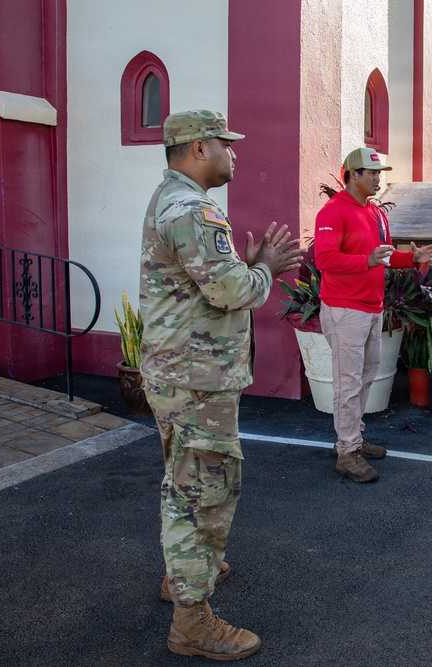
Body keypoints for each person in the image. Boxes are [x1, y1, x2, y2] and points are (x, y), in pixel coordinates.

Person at [140, 109, 305, 660]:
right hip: (195, 378)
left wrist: (248, 264)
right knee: (202, 493)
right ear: (197, 150)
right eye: (225, 144)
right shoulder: (191, 208)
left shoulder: (174, 200)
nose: (234, 153)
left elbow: (210, 279)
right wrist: (266, 272)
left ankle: (184, 576)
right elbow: (229, 290)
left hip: (181, 372)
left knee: (186, 479)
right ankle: (193, 623)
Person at [314, 147, 432, 483]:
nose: (377, 178)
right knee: (349, 382)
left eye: (379, 172)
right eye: (371, 172)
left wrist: (413, 258)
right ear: (351, 175)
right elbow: (324, 259)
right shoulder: (333, 212)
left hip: (370, 309)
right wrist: (365, 261)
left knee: (365, 376)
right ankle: (347, 451)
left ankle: (352, 438)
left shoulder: (375, 213)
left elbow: (381, 257)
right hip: (344, 310)